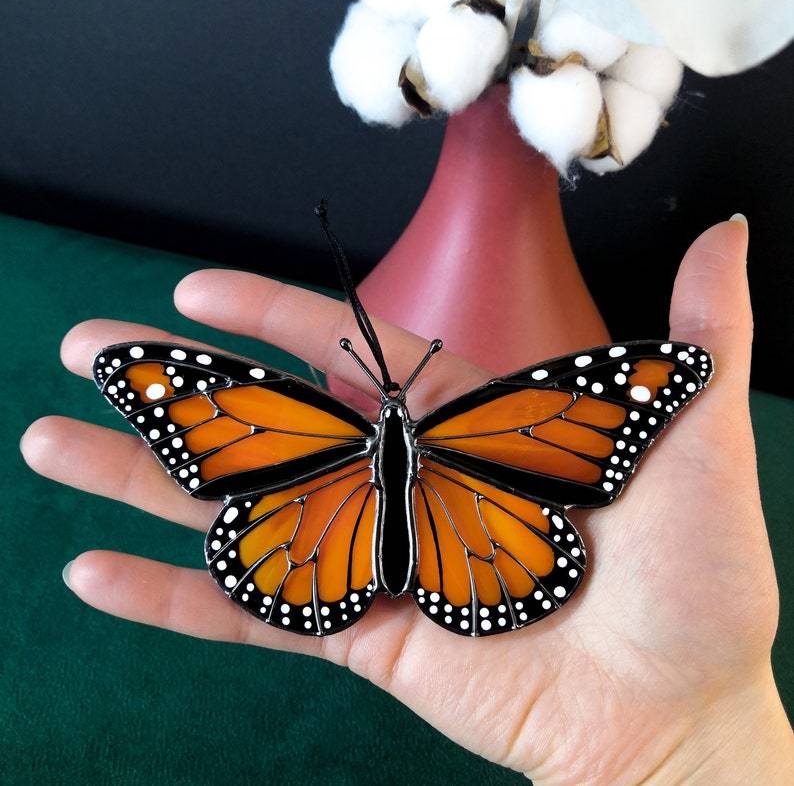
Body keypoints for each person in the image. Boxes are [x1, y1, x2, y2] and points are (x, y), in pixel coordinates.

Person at [21, 217, 794, 782]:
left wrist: (694, 749)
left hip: (313, 528)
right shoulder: (487, 423)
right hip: (477, 529)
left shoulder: (317, 427)